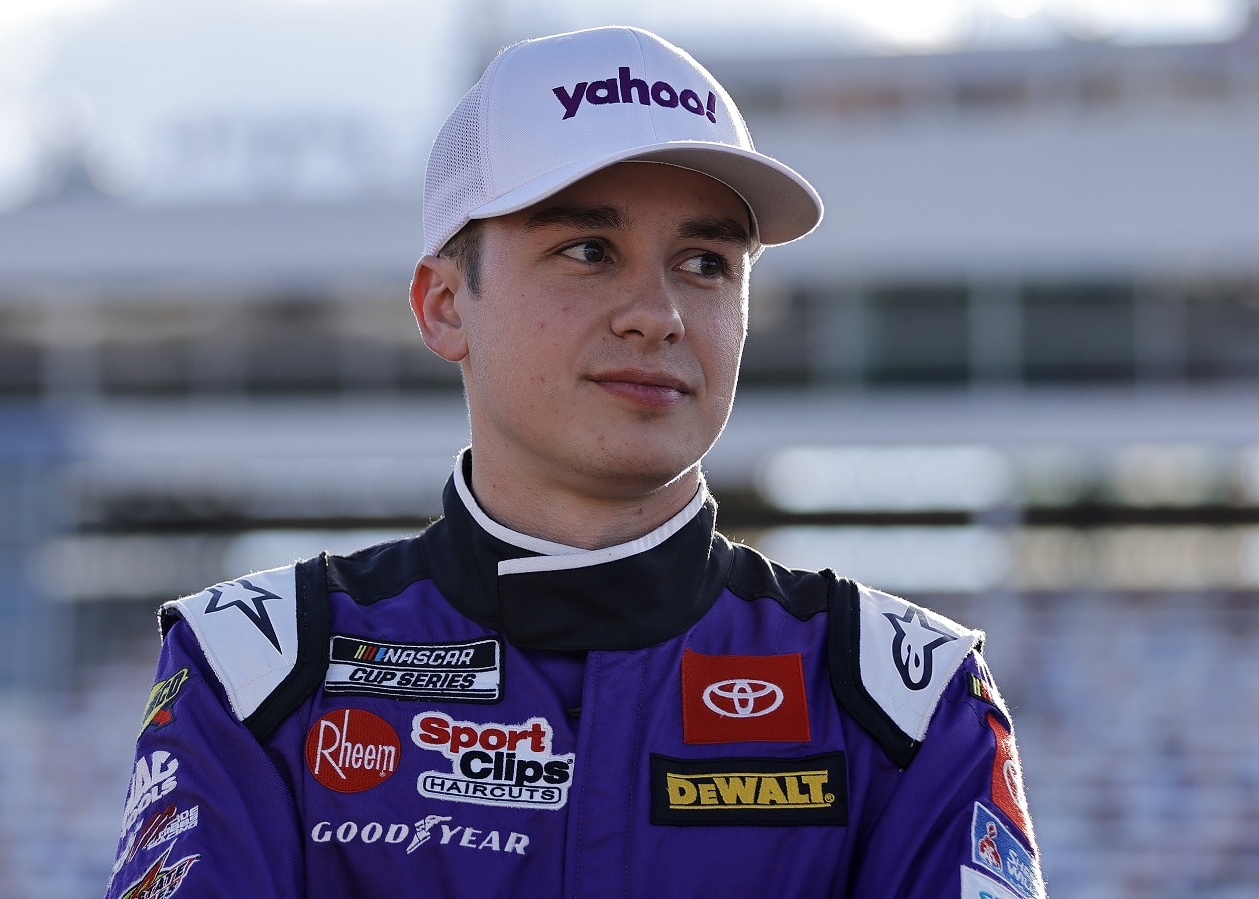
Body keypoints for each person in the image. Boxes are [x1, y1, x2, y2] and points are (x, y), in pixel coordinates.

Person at [105, 25, 1044, 899]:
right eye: (589, 249)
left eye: (707, 263)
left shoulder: (902, 700)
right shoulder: (259, 675)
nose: (659, 312)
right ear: (443, 305)